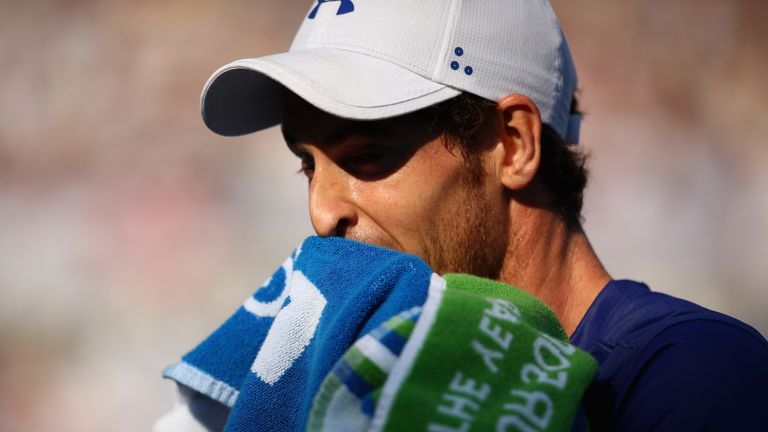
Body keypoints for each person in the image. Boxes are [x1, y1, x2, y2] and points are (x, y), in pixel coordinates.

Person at [157, 0, 768, 430]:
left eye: (368, 156)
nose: (323, 214)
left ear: (513, 144)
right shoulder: (362, 386)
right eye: (309, 165)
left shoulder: (691, 375)